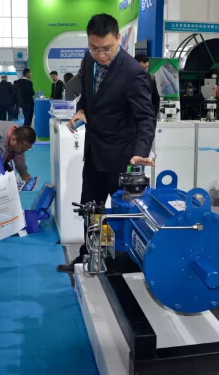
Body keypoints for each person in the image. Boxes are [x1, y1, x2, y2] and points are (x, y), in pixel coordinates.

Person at [56, 14, 156, 274]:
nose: (100, 55)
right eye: (94, 48)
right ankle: (90, 254)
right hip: (94, 153)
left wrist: (140, 153)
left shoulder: (133, 73)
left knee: (122, 215)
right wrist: (80, 111)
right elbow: (89, 97)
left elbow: (146, 118)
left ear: (119, 39)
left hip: (123, 159)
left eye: (107, 49)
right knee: (91, 208)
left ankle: (119, 262)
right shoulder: (88, 60)